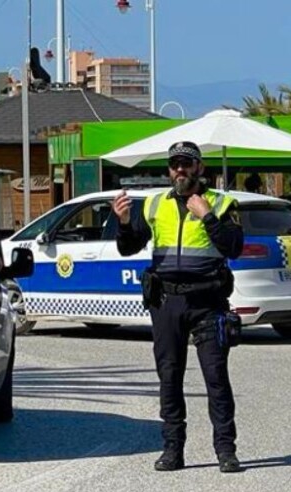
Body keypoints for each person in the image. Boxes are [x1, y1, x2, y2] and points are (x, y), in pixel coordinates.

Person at [114, 141, 245, 473]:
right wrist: (126, 222)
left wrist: (209, 217)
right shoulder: (155, 204)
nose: (180, 170)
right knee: (169, 377)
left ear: (200, 168)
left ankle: (226, 451)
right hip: (167, 302)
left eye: (187, 164)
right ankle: (173, 450)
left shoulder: (222, 202)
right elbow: (128, 248)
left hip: (207, 302)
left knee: (215, 377)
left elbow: (234, 247)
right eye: (174, 165)